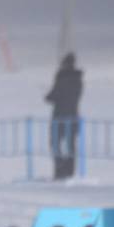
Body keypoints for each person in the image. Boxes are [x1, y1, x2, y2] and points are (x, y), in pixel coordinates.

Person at [45, 52, 83, 180]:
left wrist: (49, 96)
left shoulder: (62, 78)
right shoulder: (78, 79)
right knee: (70, 145)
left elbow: (54, 95)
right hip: (73, 116)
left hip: (59, 116)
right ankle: (69, 171)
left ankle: (60, 170)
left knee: (55, 143)